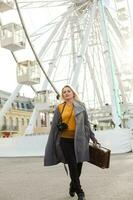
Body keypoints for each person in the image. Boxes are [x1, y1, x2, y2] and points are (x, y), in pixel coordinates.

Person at [44, 85, 99, 200]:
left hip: (80, 140)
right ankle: (80, 191)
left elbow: (86, 123)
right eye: (64, 92)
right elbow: (54, 125)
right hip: (65, 140)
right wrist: (53, 139)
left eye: (68, 91)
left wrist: (93, 138)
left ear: (73, 93)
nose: (66, 93)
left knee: (79, 165)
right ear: (62, 95)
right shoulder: (60, 107)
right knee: (72, 165)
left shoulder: (81, 106)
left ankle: (72, 185)